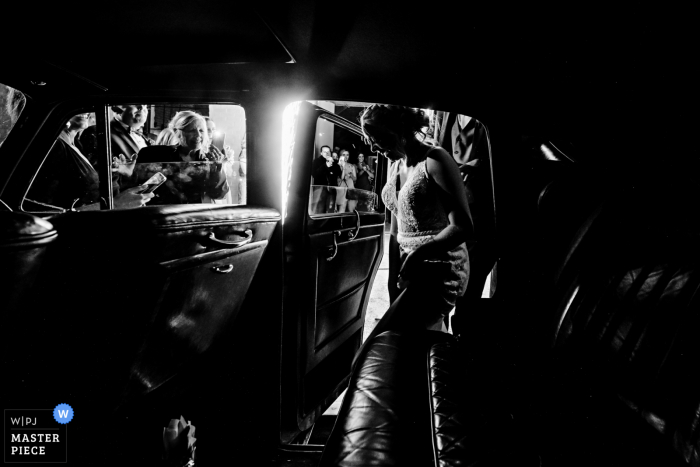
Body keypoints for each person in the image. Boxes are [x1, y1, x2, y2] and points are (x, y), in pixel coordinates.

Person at [359, 104, 473, 337]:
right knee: (413, 340)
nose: (373, 146)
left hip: (439, 268)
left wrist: (418, 255)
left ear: (399, 129)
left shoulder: (435, 160)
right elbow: (394, 231)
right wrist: (392, 280)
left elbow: (462, 227)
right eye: (369, 139)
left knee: (382, 337)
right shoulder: (394, 166)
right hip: (409, 268)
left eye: (377, 137)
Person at [26, 113, 153, 211]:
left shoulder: (76, 144)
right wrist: (115, 205)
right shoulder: (54, 147)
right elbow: (40, 210)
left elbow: (91, 186)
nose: (85, 110)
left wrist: (122, 173)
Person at [137, 111, 229, 204]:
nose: (198, 135)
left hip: (195, 214)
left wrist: (218, 167)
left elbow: (219, 194)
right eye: (191, 130)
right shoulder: (156, 155)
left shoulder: (207, 159)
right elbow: (142, 189)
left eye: (201, 130)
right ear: (177, 132)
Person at [311, 145, 341, 213]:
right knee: (319, 209)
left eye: (328, 152)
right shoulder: (316, 161)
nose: (327, 153)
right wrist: (325, 166)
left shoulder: (334, 162)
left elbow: (339, 173)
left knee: (330, 210)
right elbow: (315, 175)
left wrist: (334, 163)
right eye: (325, 152)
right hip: (320, 189)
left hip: (332, 189)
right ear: (321, 153)